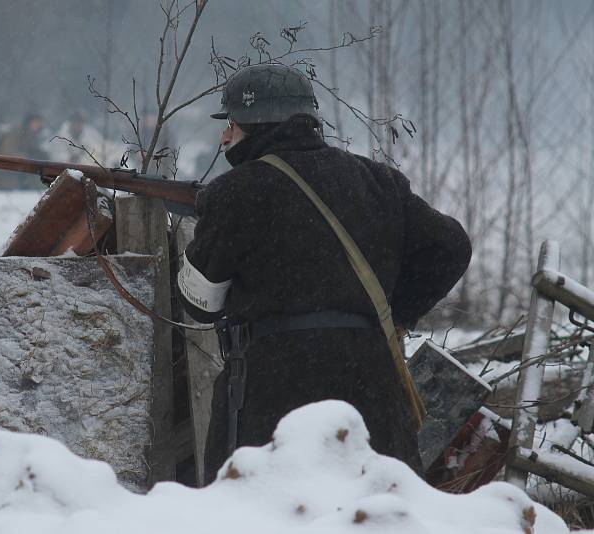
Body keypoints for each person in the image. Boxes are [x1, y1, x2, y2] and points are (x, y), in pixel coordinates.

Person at [176, 63, 472, 483]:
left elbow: (201, 303)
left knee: (264, 513)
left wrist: (204, 234)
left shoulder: (235, 191)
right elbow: (451, 246)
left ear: (256, 125)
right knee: (375, 511)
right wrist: (394, 313)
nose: (225, 137)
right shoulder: (377, 180)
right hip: (371, 384)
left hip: (272, 389)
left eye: (232, 125)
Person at [0, 113, 49, 191]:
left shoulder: (32, 137)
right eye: (36, 123)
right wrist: (27, 157)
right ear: (29, 123)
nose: (38, 125)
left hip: (19, 173)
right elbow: (7, 151)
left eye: (39, 123)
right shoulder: (15, 133)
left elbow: (37, 153)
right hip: (3, 172)